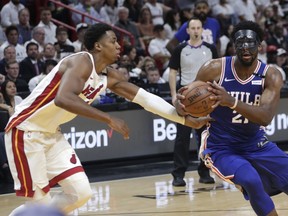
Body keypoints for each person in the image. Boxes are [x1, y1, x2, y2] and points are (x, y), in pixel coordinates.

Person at [5, 23, 212, 216]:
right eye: (113, 40)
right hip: (26, 130)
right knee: (39, 204)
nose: (118, 45)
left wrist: (187, 121)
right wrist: (108, 119)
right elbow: (63, 98)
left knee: (81, 193)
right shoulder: (81, 61)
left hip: (52, 134)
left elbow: (146, 99)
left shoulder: (108, 76)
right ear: (98, 45)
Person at [176, 20, 288, 216]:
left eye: (250, 42)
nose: (245, 47)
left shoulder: (271, 75)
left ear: (260, 45)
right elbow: (187, 102)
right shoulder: (214, 69)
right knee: (251, 180)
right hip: (221, 147)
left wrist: (232, 101)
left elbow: (265, 117)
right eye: (240, 42)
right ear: (233, 45)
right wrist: (180, 104)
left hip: (256, 144)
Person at [169, 17, 218, 186]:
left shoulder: (211, 49)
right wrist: (174, 94)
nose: (196, 30)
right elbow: (172, 72)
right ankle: (178, 174)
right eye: (193, 28)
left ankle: (205, 172)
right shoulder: (180, 49)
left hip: (206, 98)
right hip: (185, 97)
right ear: (188, 30)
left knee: (205, 137)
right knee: (182, 138)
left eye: (198, 28)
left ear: (202, 30)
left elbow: (218, 73)